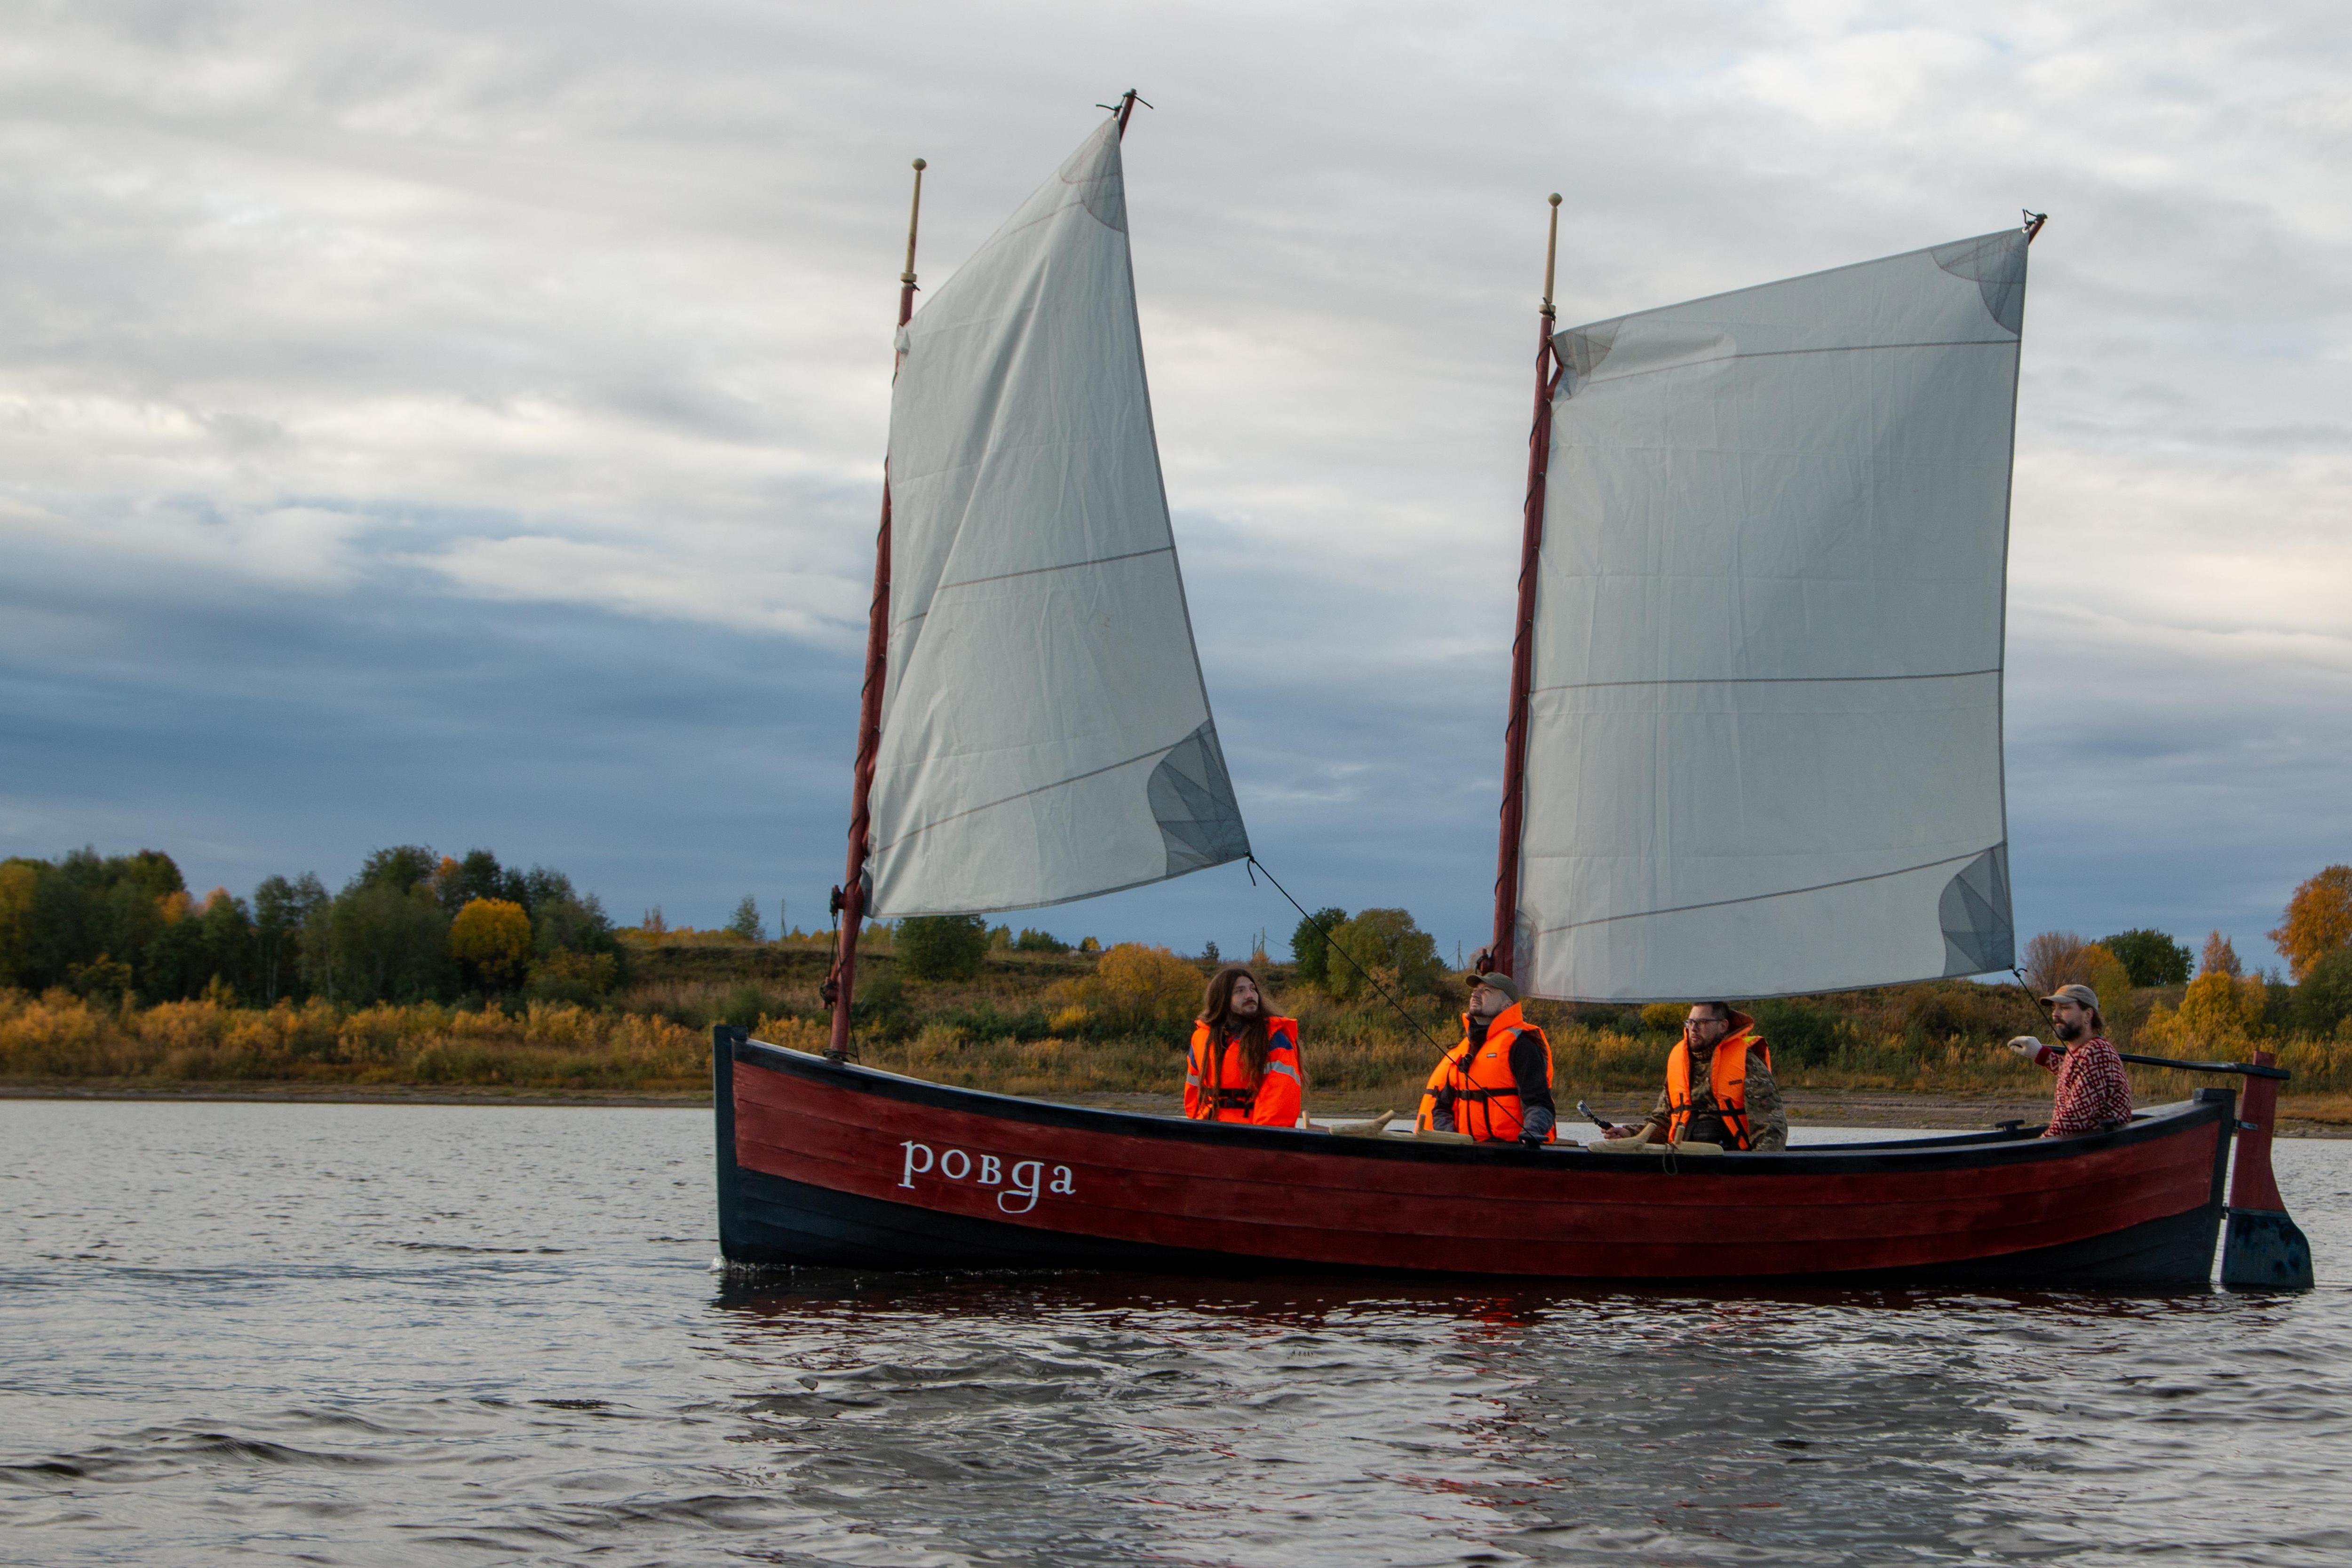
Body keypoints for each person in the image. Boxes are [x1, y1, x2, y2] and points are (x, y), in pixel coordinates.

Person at [1603, 1002, 1787, 1151]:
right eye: (1690, 1022)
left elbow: (1771, 1127)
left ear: (1723, 1026)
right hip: (1682, 1157)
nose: (1694, 1028)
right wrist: (1630, 1133)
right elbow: (1663, 1121)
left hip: (1730, 1160)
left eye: (1702, 1022)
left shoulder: (1747, 1063)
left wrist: (1761, 1170)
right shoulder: (1679, 1062)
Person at [1415, 970, 1556, 1145]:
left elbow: (1539, 1104)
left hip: (1512, 1149)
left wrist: (1533, 1132)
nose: (1476, 994)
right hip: (1469, 1149)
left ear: (1507, 1005)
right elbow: (1442, 1108)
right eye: (1475, 991)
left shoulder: (1522, 1044)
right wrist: (1451, 1139)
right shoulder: (1465, 1048)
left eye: (1487, 991)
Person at [2006, 982, 2132, 1137]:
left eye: (2064, 1008)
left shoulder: (2096, 1052)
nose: (2055, 1015)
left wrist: (2035, 1148)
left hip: (2093, 1150)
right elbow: (2075, 1076)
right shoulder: (2083, 1049)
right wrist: (2041, 1055)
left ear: (2088, 1015)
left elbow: (2074, 1119)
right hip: (2085, 1145)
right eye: (2054, 1008)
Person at [1185, 966, 1304, 1126]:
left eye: (1253, 989)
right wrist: (1197, 1131)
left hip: (1252, 1136)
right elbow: (1194, 1093)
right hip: (1210, 1132)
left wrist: (1258, 1140)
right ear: (1222, 999)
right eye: (1240, 991)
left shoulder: (1275, 1039)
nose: (1250, 995)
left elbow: (1279, 1100)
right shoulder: (1201, 1039)